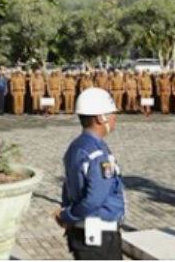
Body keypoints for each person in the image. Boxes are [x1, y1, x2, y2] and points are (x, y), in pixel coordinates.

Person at [55, 88, 125, 260]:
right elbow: (95, 199)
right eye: (111, 113)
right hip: (99, 238)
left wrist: (67, 213)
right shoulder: (98, 154)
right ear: (101, 118)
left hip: (83, 234)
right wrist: (68, 216)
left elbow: (68, 186)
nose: (115, 117)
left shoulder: (76, 146)